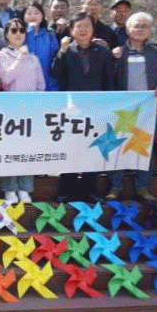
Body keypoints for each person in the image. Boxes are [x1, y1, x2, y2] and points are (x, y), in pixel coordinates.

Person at [50, 12, 114, 202]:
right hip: (71, 108)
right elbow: (55, 72)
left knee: (92, 149)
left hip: (95, 107)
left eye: (87, 26)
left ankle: (90, 190)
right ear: (71, 30)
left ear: (93, 30)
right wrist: (61, 52)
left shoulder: (103, 51)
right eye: (78, 26)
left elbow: (109, 80)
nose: (83, 30)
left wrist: (109, 107)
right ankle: (66, 189)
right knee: (70, 147)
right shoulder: (67, 50)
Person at [107, 12, 157, 202]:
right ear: (128, 30)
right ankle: (115, 186)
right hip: (122, 106)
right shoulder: (118, 52)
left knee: (145, 145)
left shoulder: (156, 53)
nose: (139, 29)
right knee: (117, 145)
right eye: (136, 26)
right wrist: (113, 58)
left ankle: (142, 187)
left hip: (147, 107)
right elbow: (109, 76)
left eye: (144, 26)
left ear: (149, 30)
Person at [0, 18, 45, 203]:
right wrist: (19, 58)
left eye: (21, 30)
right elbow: (5, 80)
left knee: (27, 150)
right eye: (13, 30)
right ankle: (10, 189)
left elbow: (41, 85)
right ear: (7, 34)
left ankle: (25, 188)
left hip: (30, 111)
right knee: (10, 150)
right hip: (10, 111)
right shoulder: (2, 55)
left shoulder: (33, 58)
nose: (18, 34)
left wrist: (36, 106)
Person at [22, 1, 61, 91]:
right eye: (29, 13)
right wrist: (30, 30)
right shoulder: (19, 35)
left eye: (37, 13)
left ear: (42, 15)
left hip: (48, 85)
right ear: (23, 17)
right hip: (25, 87)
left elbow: (55, 60)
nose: (33, 16)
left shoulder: (50, 34)